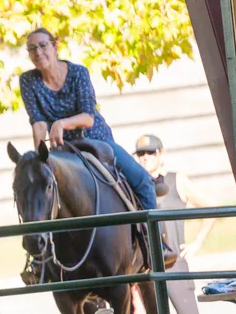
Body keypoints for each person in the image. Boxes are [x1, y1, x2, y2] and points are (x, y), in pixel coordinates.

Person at [18, 28, 174, 264]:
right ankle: (40, 262)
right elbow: (38, 122)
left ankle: (157, 244)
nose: (38, 52)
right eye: (32, 48)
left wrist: (61, 123)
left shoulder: (78, 73)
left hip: (97, 141)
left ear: (55, 46)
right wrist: (41, 157)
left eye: (43, 45)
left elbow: (88, 117)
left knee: (142, 180)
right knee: (42, 192)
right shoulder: (28, 81)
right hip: (64, 152)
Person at [134, 134, 217, 314]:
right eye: (140, 154)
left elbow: (210, 208)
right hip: (148, 267)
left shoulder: (175, 180)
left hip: (175, 264)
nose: (144, 158)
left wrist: (196, 243)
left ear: (161, 154)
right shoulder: (133, 185)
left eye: (150, 153)